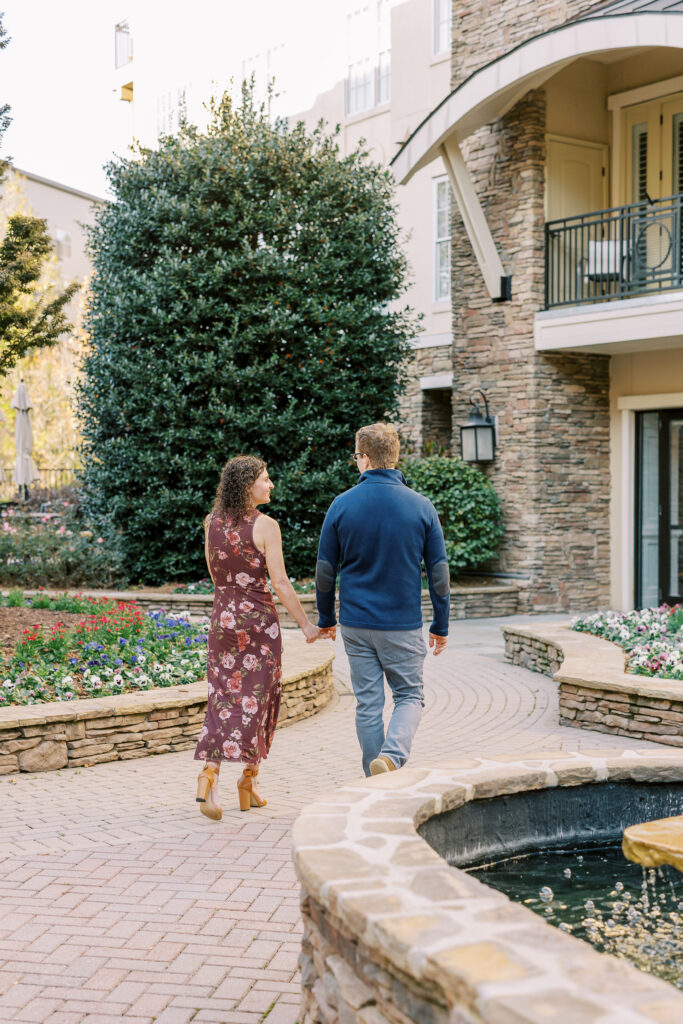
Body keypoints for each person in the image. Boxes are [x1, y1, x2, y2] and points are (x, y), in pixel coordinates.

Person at [315, 423, 449, 777]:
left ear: (365, 458)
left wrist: (326, 618)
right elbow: (439, 574)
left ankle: (374, 778)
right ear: (395, 457)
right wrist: (441, 624)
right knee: (409, 696)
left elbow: (325, 572)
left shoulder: (341, 505)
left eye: (356, 456)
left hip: (356, 624)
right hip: (402, 624)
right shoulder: (421, 506)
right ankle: (391, 756)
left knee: (368, 703)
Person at [195, 455, 319, 819]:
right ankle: (242, 777)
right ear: (247, 485)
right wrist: (307, 625)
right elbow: (279, 582)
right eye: (265, 479)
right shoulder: (266, 526)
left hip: (223, 622)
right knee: (258, 701)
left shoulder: (211, 522)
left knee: (223, 699)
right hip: (259, 628)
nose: (271, 484)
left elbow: (215, 575)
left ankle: (216, 775)